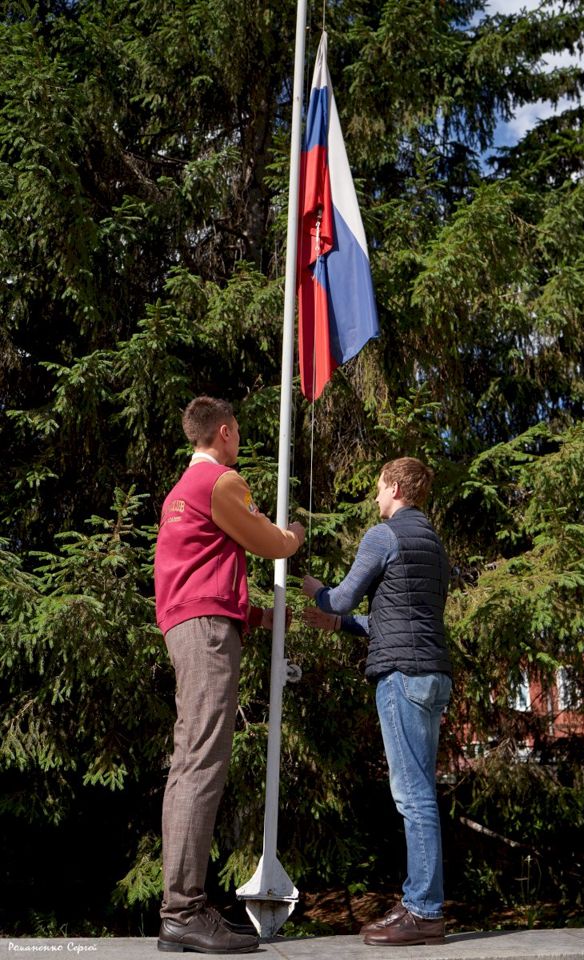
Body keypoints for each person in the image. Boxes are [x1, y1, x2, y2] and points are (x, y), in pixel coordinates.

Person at [154, 396, 305, 954]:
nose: (238, 439)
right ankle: (183, 911)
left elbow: (202, 571)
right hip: (207, 632)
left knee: (190, 760)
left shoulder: (179, 493)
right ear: (223, 431)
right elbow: (269, 543)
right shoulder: (220, 481)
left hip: (189, 625)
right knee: (200, 762)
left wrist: (260, 615)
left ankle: (184, 908)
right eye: (237, 430)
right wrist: (296, 532)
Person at [302, 457, 451, 947]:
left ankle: (424, 911)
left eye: (380, 487)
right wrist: (341, 625)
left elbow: (343, 598)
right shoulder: (433, 544)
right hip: (432, 676)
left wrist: (318, 595)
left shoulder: (383, 536)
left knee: (413, 796)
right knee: (420, 792)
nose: (375, 496)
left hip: (402, 678)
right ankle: (418, 902)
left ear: (395, 487)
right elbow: (396, 620)